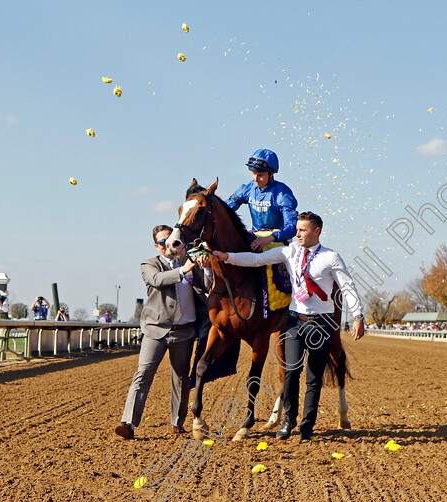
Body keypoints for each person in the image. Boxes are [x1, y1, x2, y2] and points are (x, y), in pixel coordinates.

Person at [212, 211, 365, 442]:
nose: (298, 233)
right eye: (297, 229)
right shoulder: (290, 251)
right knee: (291, 372)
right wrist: (227, 257)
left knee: (314, 379)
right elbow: (256, 260)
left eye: (303, 230)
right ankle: (288, 421)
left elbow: (347, 286)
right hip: (295, 321)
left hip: (322, 324)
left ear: (316, 231)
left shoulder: (331, 257)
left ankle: (307, 427)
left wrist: (358, 316)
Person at [115, 224, 212, 440]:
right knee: (143, 374)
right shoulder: (150, 264)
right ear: (156, 246)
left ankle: (177, 424)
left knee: (180, 378)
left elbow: (207, 285)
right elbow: (157, 280)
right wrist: (183, 270)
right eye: (162, 242)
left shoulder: (189, 262)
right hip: (155, 330)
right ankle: (128, 423)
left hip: (184, 331)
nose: (168, 245)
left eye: (172, 240)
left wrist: (205, 267)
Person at [225, 148, 299, 250]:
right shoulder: (248, 188)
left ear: (271, 174)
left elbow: (292, 227)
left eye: (260, 175)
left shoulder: (283, 193)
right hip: (256, 237)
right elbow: (224, 208)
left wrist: (271, 237)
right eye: (254, 173)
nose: (255, 178)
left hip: (279, 241)